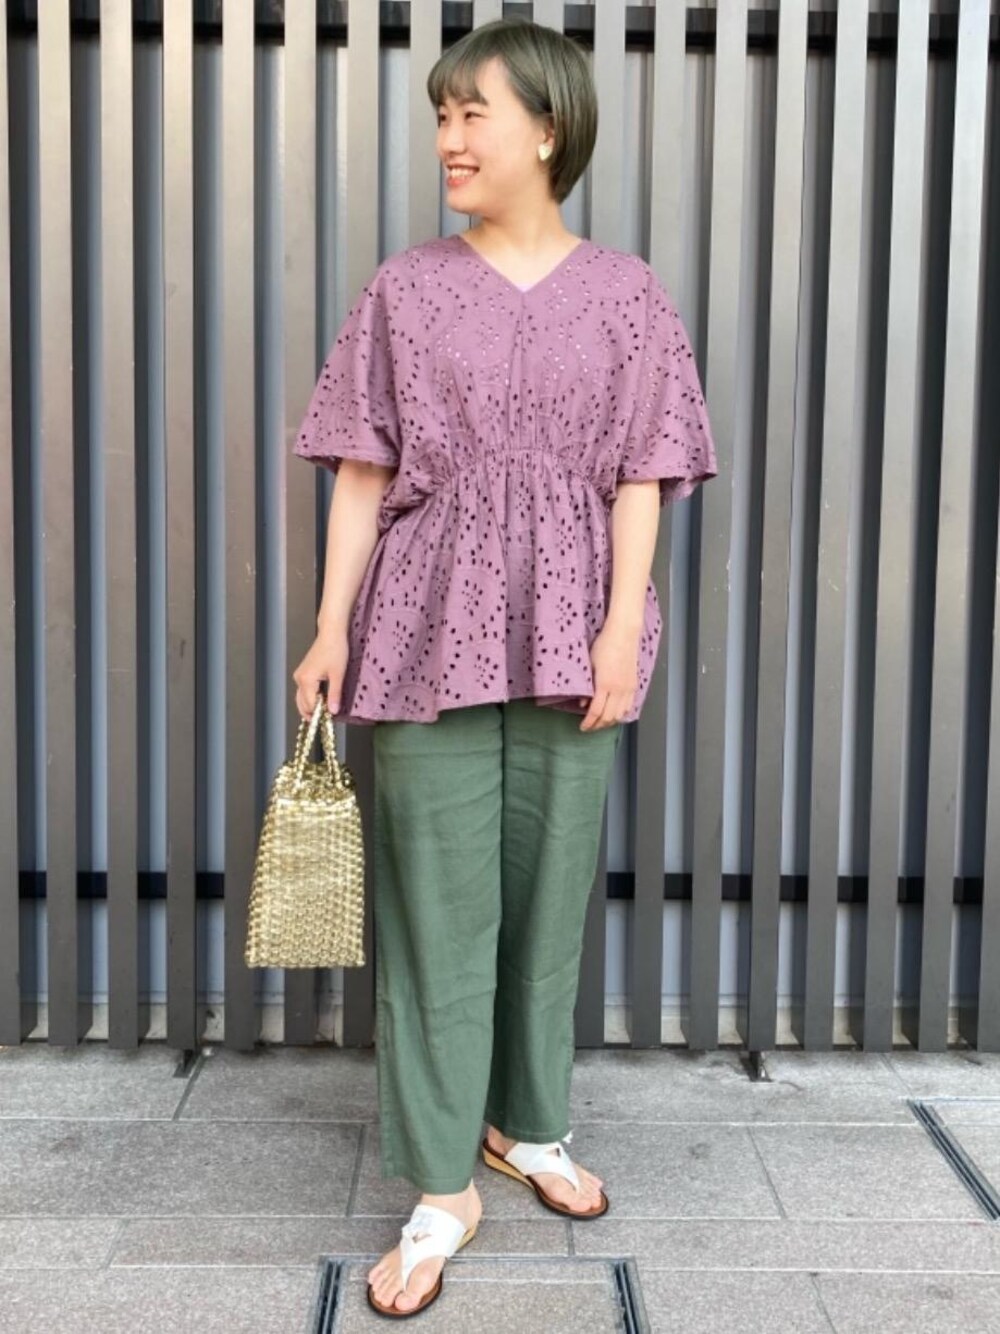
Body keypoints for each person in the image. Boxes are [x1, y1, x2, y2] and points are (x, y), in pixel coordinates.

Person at [291, 16, 717, 1319]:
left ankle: (527, 1124)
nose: (450, 138)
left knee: (546, 896)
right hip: (421, 628)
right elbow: (362, 467)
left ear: (548, 127)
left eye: (473, 112)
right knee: (435, 911)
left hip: (575, 627)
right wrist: (331, 625)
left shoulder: (628, 293)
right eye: (442, 114)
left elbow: (644, 471)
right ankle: (441, 1187)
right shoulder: (405, 289)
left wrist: (621, 626)